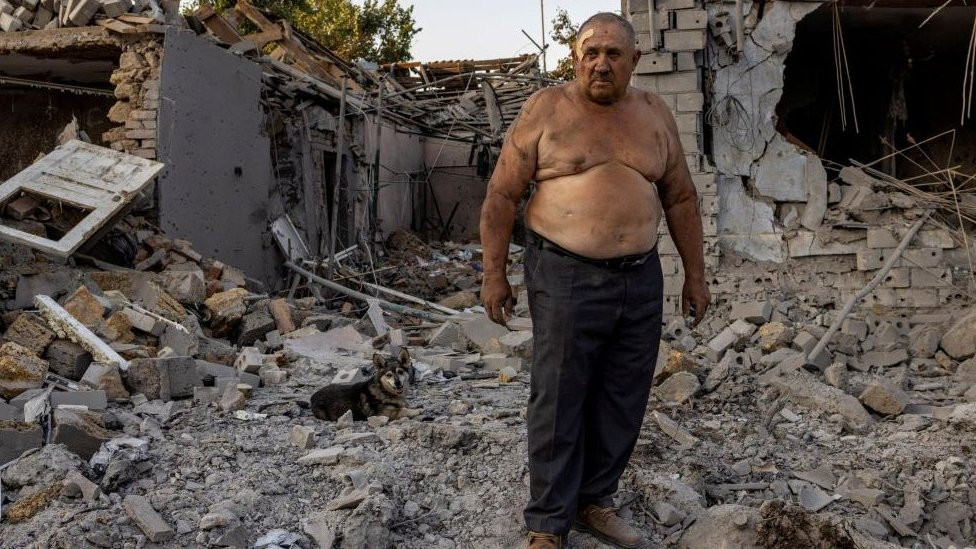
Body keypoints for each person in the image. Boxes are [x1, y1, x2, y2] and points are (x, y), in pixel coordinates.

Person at [478, 12, 710, 549]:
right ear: (575, 56)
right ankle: (547, 523)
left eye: (612, 54)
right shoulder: (546, 109)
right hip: (564, 272)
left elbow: (680, 198)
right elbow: (501, 196)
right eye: (590, 52)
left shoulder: (654, 114)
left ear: (635, 61)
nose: (600, 63)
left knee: (624, 396)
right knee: (558, 397)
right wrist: (494, 275)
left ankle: (593, 500)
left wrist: (695, 277)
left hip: (640, 276)